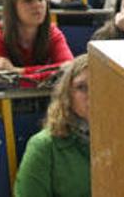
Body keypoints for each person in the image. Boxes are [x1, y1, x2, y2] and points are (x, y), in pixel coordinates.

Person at [14, 54, 91, 197]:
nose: (93, 94)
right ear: (67, 94)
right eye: (82, 87)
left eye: (102, 86)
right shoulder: (44, 146)